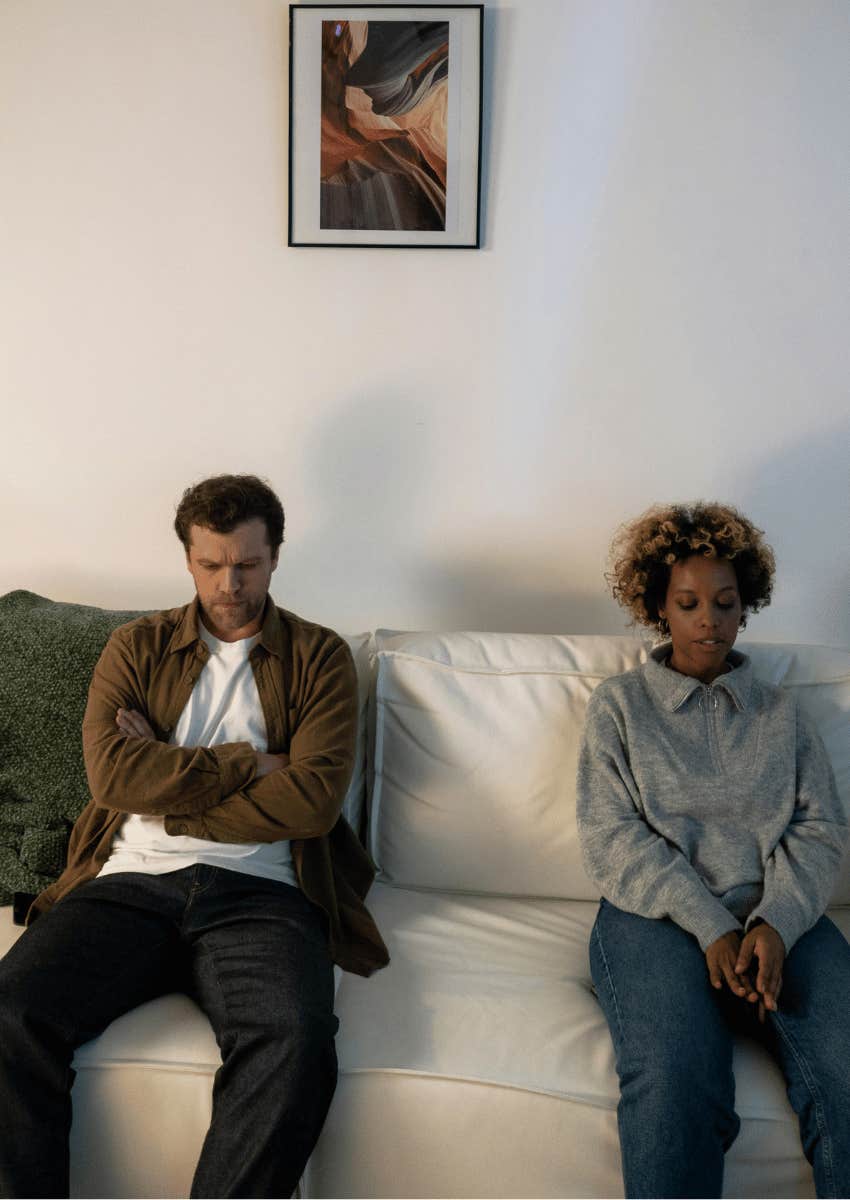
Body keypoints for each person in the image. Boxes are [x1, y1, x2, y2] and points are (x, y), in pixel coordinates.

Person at [0, 474, 388, 1199]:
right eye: (211, 565)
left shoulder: (320, 657)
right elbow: (115, 778)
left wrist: (172, 790)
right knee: (11, 1011)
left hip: (265, 892)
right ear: (188, 560)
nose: (229, 583)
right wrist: (251, 764)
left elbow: (309, 802)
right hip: (129, 882)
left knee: (295, 1043)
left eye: (246, 564)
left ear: (274, 558)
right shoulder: (135, 647)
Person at [576, 501, 850, 1199]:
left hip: (777, 917)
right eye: (689, 603)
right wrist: (712, 927)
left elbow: (819, 829)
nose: (709, 621)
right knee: (676, 1079)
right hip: (655, 920)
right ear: (658, 608)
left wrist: (776, 923)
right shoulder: (619, 708)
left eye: (725, 603)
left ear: (745, 606)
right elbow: (612, 837)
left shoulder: (781, 715)